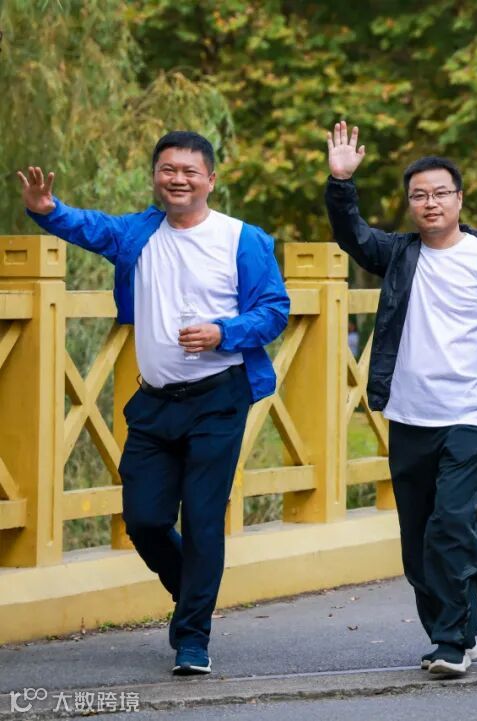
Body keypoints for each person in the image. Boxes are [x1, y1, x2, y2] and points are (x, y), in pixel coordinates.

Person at [18, 132, 290, 676]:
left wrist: (224, 332)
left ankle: (192, 636)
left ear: (210, 180)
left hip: (219, 400)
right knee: (143, 519)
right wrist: (48, 210)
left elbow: (274, 311)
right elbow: (90, 227)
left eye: (189, 171)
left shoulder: (242, 239)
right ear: (156, 177)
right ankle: (189, 591)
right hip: (155, 403)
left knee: (204, 519)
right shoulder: (137, 234)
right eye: (168, 170)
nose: (178, 179)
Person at [323, 121, 477, 677]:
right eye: (419, 195)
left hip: (471, 413)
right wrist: (341, 183)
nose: (430, 203)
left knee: (451, 524)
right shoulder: (400, 255)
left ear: (459, 199)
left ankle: (451, 641)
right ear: (410, 205)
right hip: (409, 414)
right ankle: (456, 629)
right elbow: (353, 235)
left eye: (440, 193)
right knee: (418, 538)